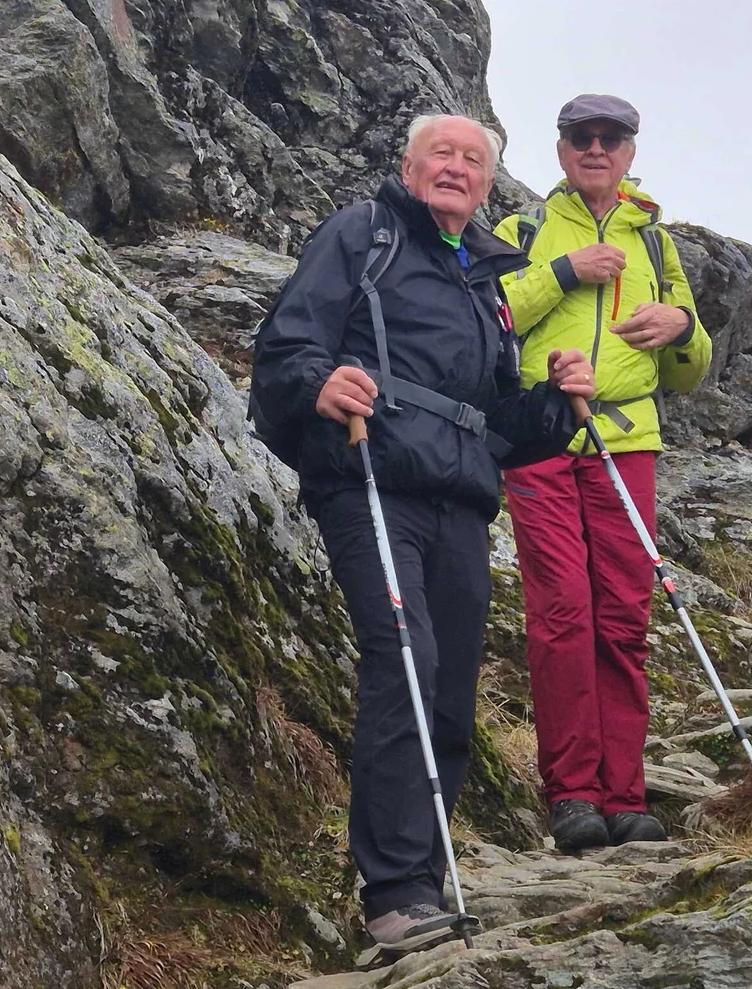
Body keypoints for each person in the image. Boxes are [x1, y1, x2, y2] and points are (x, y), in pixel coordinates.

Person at [252, 114, 595, 946]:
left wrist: (557, 403)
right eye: (441, 154)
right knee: (406, 659)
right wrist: (318, 385)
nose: (456, 167)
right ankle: (394, 890)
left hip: (460, 504)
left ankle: (426, 875)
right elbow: (288, 342)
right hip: (369, 479)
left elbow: (497, 422)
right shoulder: (361, 234)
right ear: (408, 168)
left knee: (448, 690)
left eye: (473, 160)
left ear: (486, 185)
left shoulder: (484, 281)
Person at [493, 93, 712, 852]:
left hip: (629, 441)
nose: (595, 148)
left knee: (623, 615)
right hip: (542, 439)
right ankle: (573, 795)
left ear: (628, 153)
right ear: (559, 151)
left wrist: (682, 327)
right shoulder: (522, 230)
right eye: (581, 138)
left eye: (610, 139)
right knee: (561, 616)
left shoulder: (657, 246)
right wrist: (563, 271)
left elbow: (688, 372)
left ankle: (625, 795)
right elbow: (486, 314)